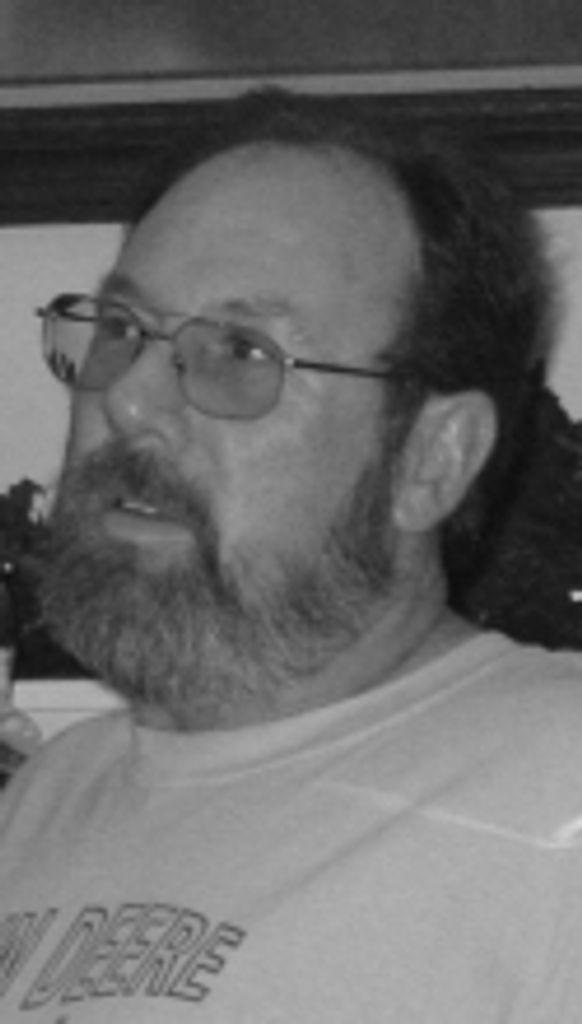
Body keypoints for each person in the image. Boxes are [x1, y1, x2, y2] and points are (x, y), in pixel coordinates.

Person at [1, 89, 582, 1023]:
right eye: (120, 330)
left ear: (431, 459)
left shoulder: (555, 791)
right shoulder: (44, 801)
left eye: (242, 352)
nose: (132, 400)